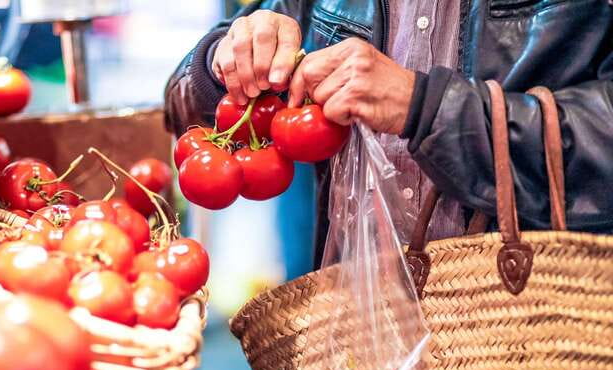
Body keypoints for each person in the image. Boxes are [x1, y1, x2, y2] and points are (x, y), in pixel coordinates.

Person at [164, 1, 613, 265]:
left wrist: (428, 108)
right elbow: (180, 100)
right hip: (358, 316)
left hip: (536, 322)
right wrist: (223, 60)